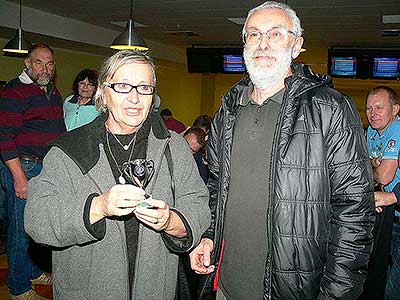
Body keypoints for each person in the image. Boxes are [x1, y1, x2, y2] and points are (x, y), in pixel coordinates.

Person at [190, 2, 375, 300]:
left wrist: (337, 295)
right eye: (254, 35)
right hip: (224, 286)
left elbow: (354, 212)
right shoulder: (228, 110)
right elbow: (217, 188)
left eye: (276, 34)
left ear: (297, 44)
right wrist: (209, 236)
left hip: (296, 290)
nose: (263, 43)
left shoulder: (330, 108)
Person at [24, 49, 211, 300]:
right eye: (123, 86)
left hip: (156, 290)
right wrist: (98, 206)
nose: (135, 97)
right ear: (103, 92)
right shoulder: (69, 150)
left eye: (144, 87)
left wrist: (171, 222)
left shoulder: (172, 146)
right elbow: (37, 219)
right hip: (89, 291)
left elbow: (198, 203)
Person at [0, 44, 66, 300]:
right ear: (27, 63)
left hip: (44, 167)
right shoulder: (14, 92)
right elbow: (4, 138)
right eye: (39, 62)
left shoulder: (52, 90)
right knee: (20, 230)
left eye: (50, 64)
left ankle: (32, 272)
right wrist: (19, 178)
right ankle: (18, 288)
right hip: (23, 167)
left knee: (36, 226)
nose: (45, 69)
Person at [363, 86, 400, 300]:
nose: (372, 113)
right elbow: (365, 167)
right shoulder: (371, 131)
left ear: (395, 109)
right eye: (369, 108)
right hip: (388, 215)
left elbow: (384, 176)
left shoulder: (397, 128)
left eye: (379, 107)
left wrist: (374, 168)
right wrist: (373, 166)